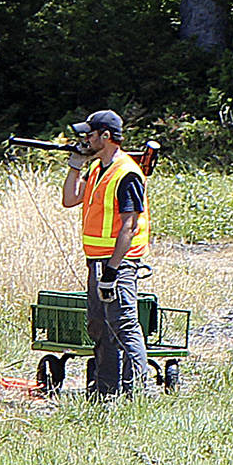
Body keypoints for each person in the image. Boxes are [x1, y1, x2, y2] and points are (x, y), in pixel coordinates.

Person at [61, 109, 150, 397]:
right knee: (99, 328)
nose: (85, 139)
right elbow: (70, 199)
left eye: (89, 134)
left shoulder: (127, 174)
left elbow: (129, 225)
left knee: (124, 325)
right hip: (97, 261)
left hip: (119, 264)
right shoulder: (97, 169)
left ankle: (138, 393)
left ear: (106, 136)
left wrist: (112, 270)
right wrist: (75, 165)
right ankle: (105, 391)